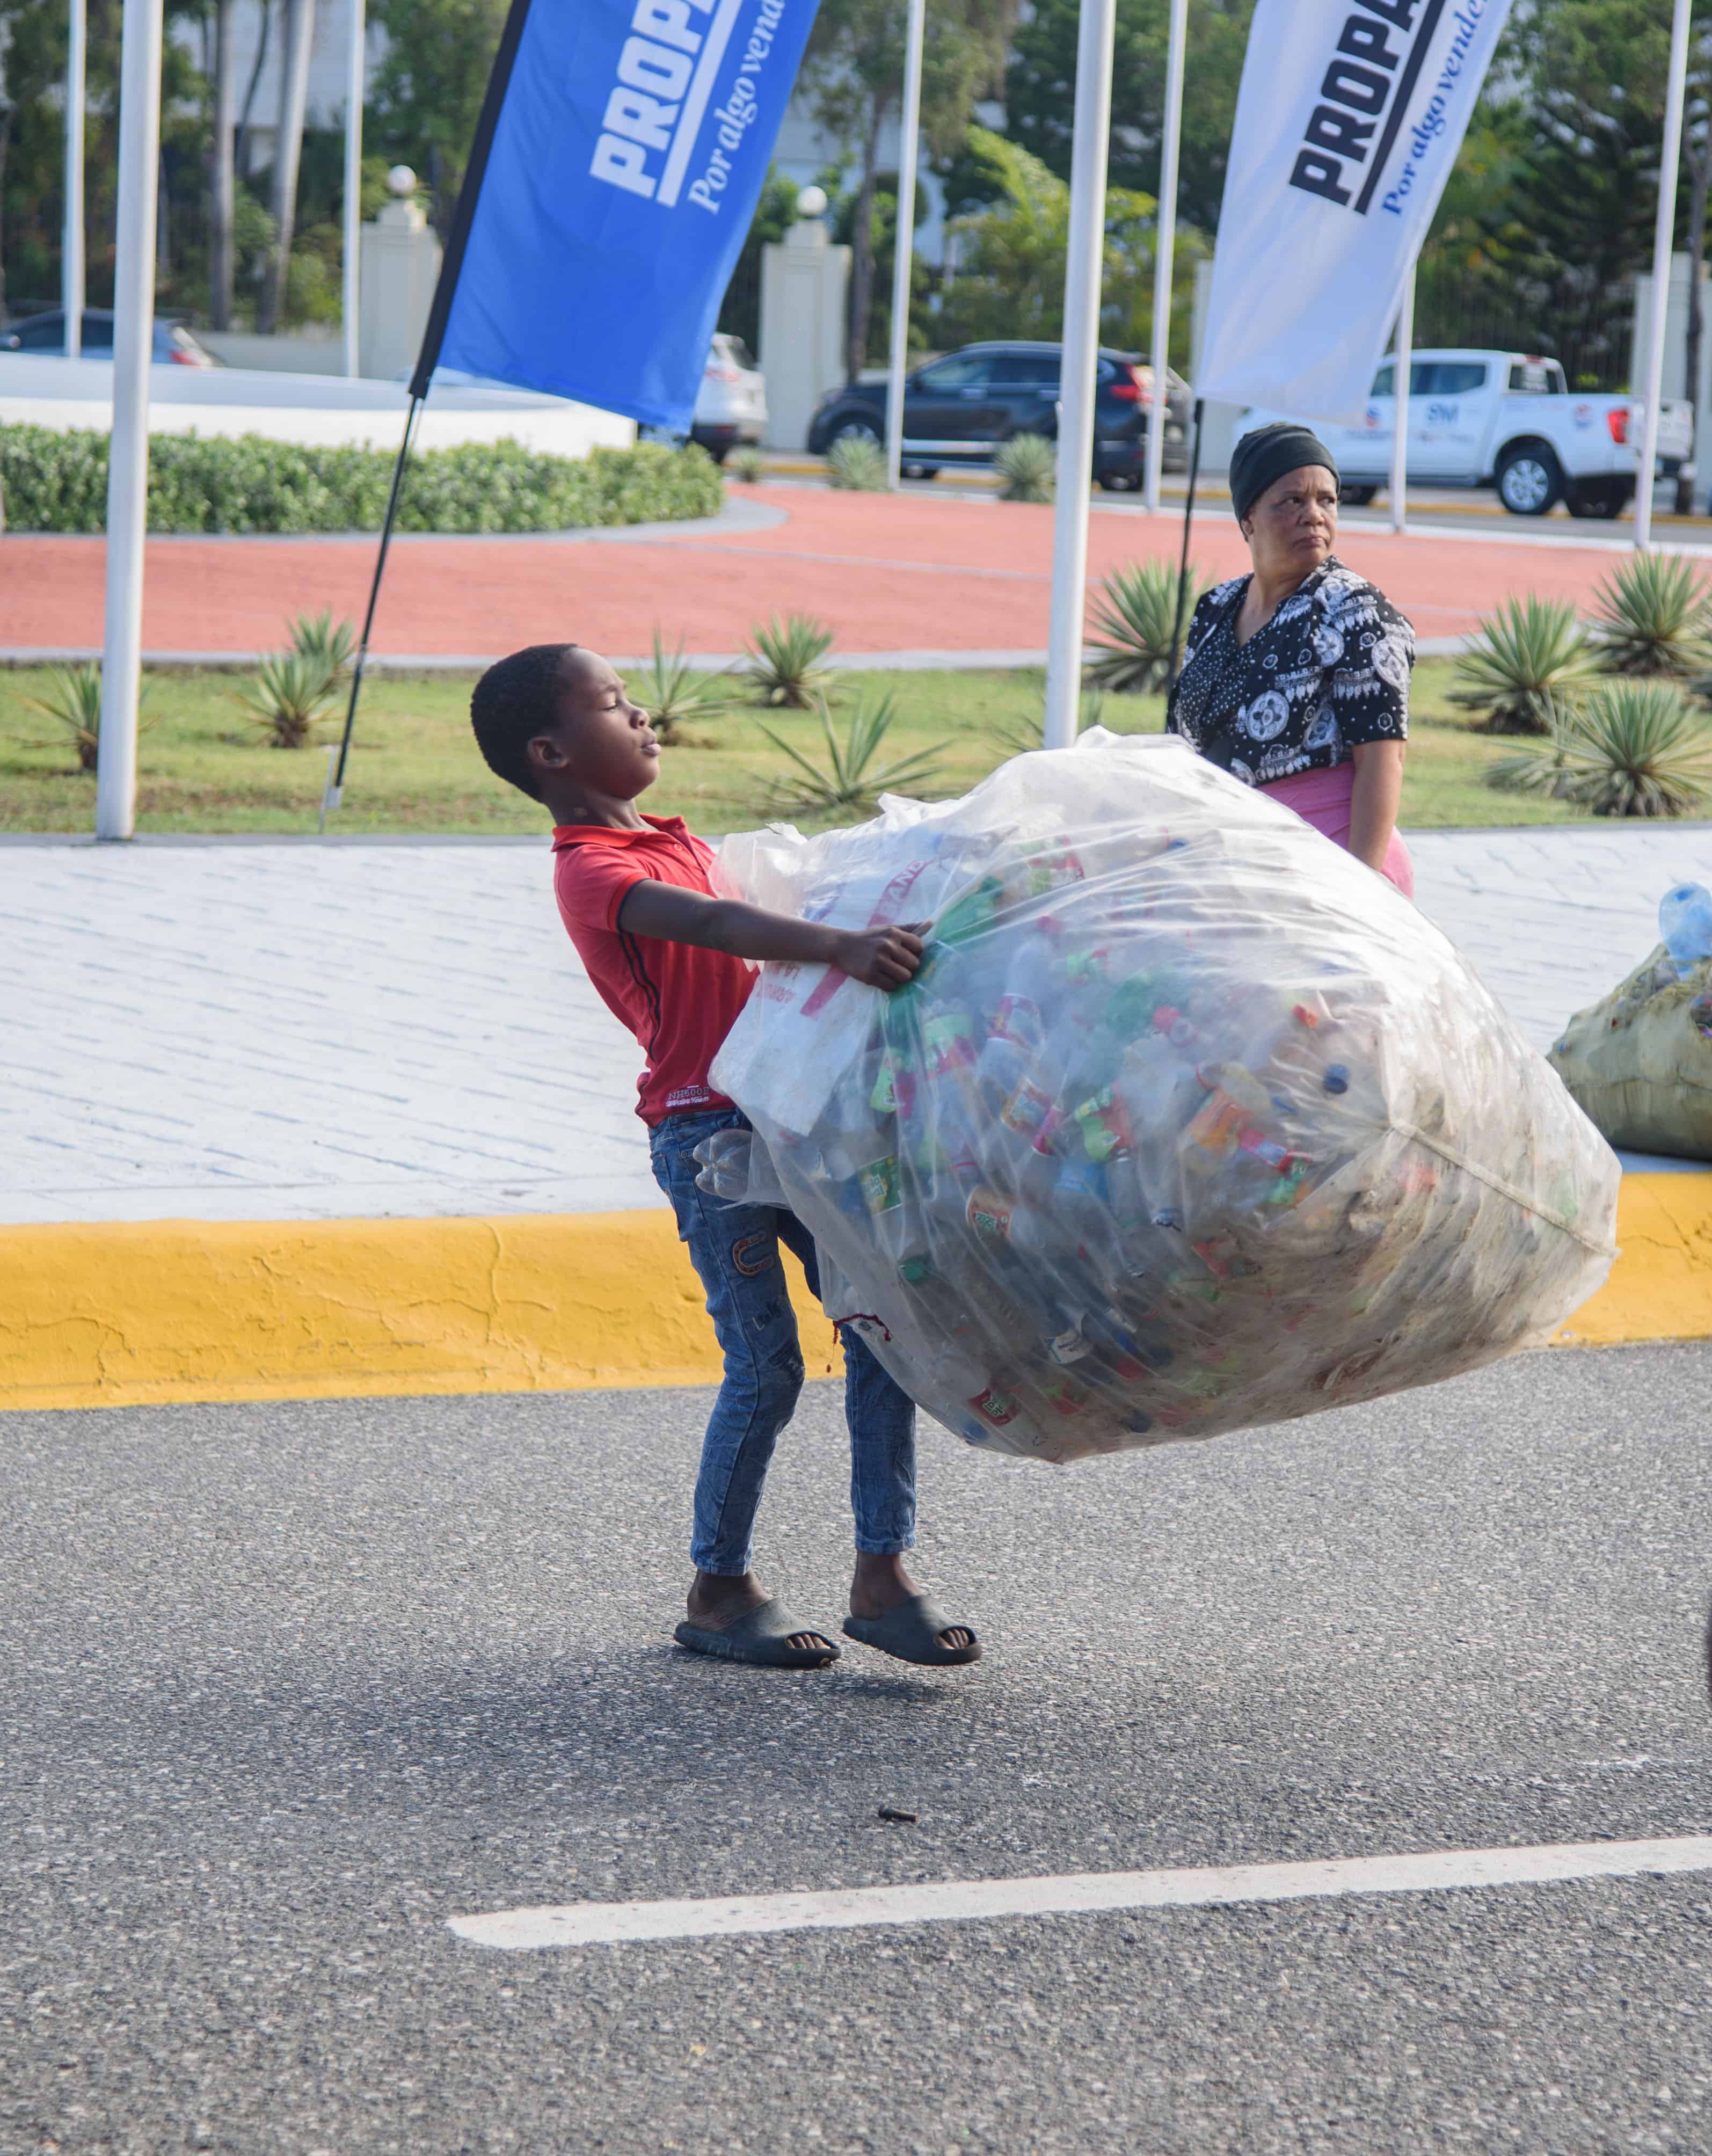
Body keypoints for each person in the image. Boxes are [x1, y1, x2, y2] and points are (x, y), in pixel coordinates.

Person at [469, 642, 981, 1672]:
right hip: (707, 1140)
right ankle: (717, 1589)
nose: (643, 715)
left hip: (786, 1119)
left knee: (880, 1334)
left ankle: (882, 1576)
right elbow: (705, 924)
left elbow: (752, 916)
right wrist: (834, 947)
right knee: (767, 1368)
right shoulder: (594, 870)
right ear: (552, 753)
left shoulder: (674, 839)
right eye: (614, 705)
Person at [1167, 421, 1415, 896]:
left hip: (1327, 865)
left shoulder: (1354, 611)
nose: (1314, 515)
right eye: (1291, 501)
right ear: (1248, 518)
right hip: (1228, 863)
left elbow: (1382, 759)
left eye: (1326, 500)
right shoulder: (1215, 609)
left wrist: (1360, 892)